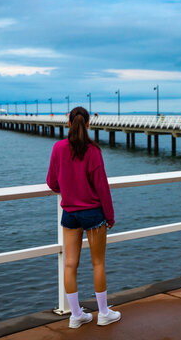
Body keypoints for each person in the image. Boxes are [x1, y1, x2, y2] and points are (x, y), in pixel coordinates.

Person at [46, 106, 121, 329]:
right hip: (93, 214)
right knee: (98, 263)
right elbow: (102, 187)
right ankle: (104, 313)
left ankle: (76, 315)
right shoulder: (93, 151)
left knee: (70, 264)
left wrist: (67, 189)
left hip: (70, 213)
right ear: (88, 124)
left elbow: (51, 183)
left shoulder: (58, 148)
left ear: (69, 123)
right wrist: (110, 216)